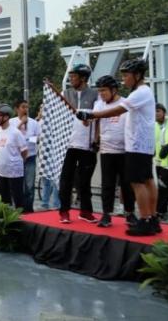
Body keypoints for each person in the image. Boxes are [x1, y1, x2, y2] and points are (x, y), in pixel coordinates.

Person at [76, 59, 158, 235]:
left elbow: (117, 110)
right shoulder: (143, 92)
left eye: (126, 75)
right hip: (140, 145)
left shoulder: (139, 93)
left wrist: (91, 115)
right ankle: (153, 219)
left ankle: (144, 220)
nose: (124, 79)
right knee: (148, 181)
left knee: (137, 183)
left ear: (137, 75)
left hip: (136, 145)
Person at [90, 75, 135, 227]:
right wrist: (95, 140)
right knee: (107, 185)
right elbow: (93, 120)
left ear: (114, 89)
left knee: (127, 185)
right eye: (99, 90)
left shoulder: (125, 103)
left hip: (125, 151)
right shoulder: (99, 104)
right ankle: (106, 215)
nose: (101, 93)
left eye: (104, 90)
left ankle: (129, 213)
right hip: (106, 151)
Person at [58, 64, 99, 224]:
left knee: (84, 181)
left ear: (83, 78)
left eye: (74, 76)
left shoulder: (95, 95)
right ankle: (64, 211)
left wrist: (96, 138)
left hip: (87, 145)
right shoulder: (65, 94)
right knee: (66, 180)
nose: (70, 79)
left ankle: (86, 211)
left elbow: (100, 118)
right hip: (68, 145)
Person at [0, 104, 28, 209]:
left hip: (14, 171)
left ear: (6, 117)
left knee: (17, 197)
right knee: (4, 198)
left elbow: (24, 151)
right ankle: (7, 219)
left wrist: (18, 162)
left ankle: (21, 218)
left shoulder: (15, 132)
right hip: (2, 171)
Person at [9, 100, 41, 213]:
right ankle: (19, 209)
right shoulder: (12, 122)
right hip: (16, 158)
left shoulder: (34, 123)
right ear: (17, 109)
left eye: (27, 107)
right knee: (17, 186)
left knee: (29, 185)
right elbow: (10, 136)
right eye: (23, 107)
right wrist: (21, 123)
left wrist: (29, 139)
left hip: (30, 157)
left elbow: (38, 139)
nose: (26, 109)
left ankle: (29, 210)